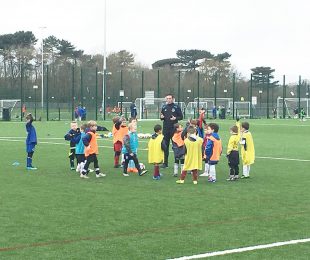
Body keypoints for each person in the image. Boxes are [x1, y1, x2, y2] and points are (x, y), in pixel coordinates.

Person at [160, 94, 183, 168]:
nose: (168, 100)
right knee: (165, 146)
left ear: (173, 99)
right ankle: (165, 163)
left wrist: (175, 118)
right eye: (167, 98)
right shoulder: (164, 107)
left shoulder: (176, 107)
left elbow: (181, 117)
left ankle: (177, 162)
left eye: (170, 98)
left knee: (175, 146)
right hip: (166, 129)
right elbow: (162, 117)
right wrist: (161, 117)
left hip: (174, 130)